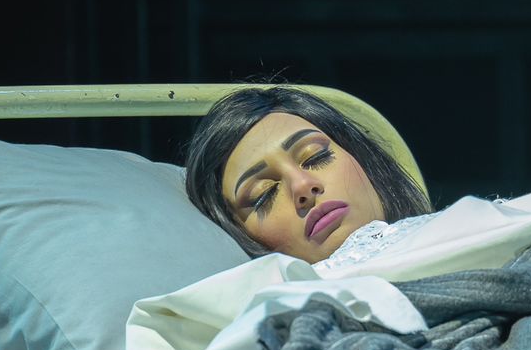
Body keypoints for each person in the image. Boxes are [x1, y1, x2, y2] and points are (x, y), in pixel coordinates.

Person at [184, 85, 431, 264]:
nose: (302, 186)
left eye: (316, 156)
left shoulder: (452, 229)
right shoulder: (274, 315)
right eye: (264, 195)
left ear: (362, 158)